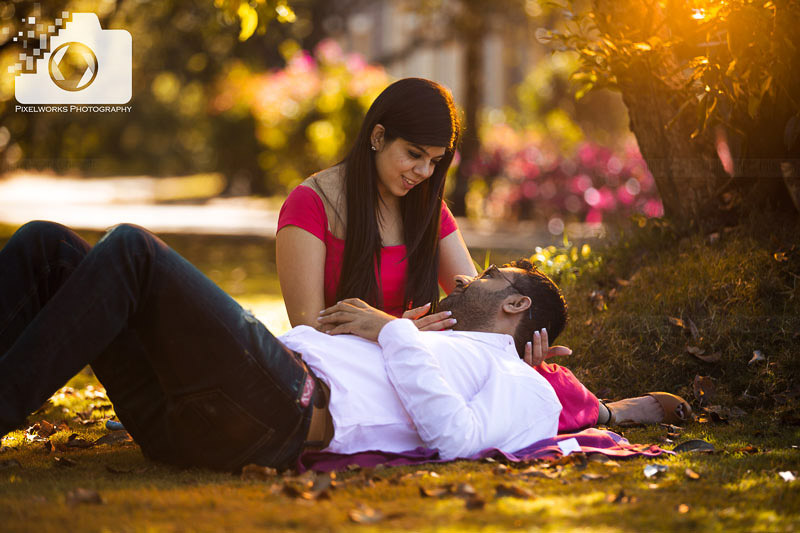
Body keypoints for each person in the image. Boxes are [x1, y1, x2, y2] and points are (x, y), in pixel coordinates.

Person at [0, 221, 690, 471]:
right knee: (47, 246)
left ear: (514, 304)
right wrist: (400, 331)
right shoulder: (436, 337)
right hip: (199, 413)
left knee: (132, 252)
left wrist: (387, 328)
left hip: (279, 404)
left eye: (489, 274)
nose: (467, 274)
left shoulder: (520, 382)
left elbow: (457, 438)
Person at [274, 77, 612, 434]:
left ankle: (608, 412)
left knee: (535, 377)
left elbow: (475, 305)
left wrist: (514, 345)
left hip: (424, 363)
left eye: (435, 161)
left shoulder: (428, 211)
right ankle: (604, 411)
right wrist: (396, 334)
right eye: (414, 155)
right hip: (347, 369)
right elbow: (307, 332)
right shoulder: (310, 204)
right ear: (377, 137)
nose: (423, 173)